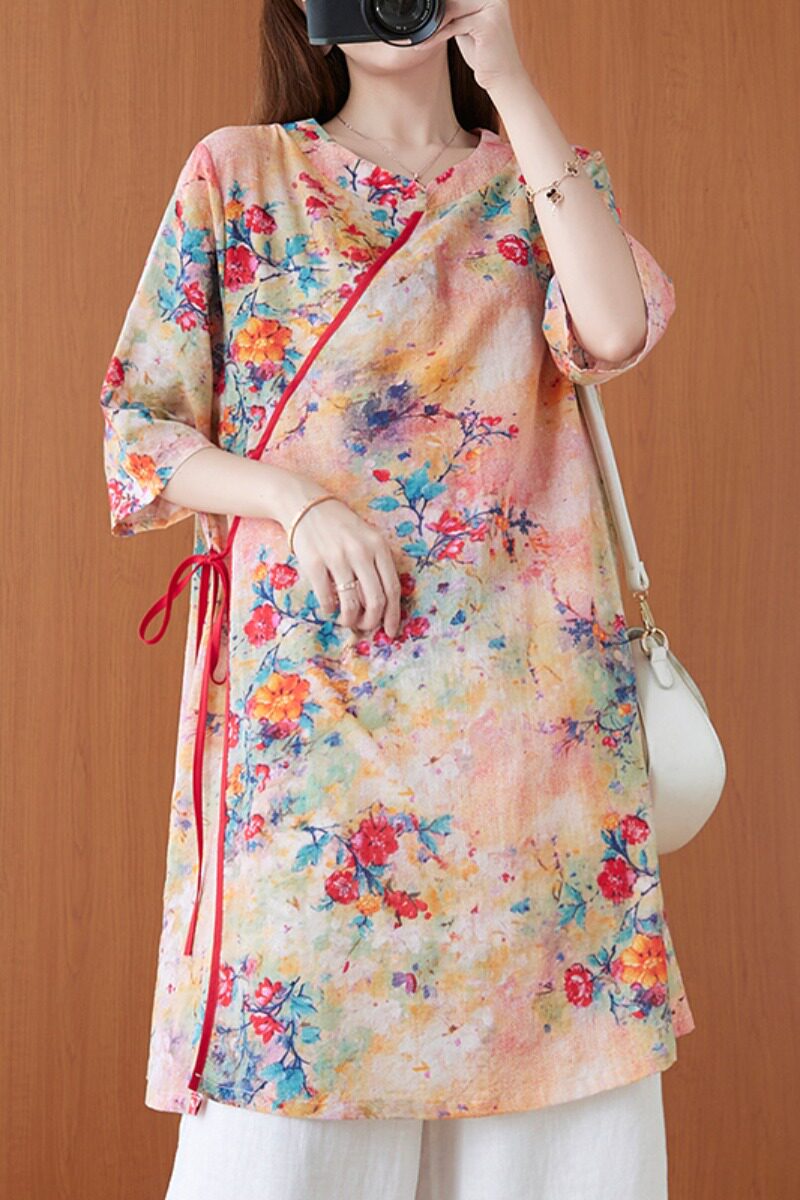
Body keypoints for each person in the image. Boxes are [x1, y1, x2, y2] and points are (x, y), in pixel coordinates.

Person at [99, 1, 695, 1197]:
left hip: (527, 745)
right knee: (290, 1108)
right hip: (313, 737)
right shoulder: (240, 174)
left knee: (551, 1112)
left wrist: (508, 77)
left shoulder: (534, 177)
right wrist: (290, 501)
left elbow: (614, 330)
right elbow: (138, 431)